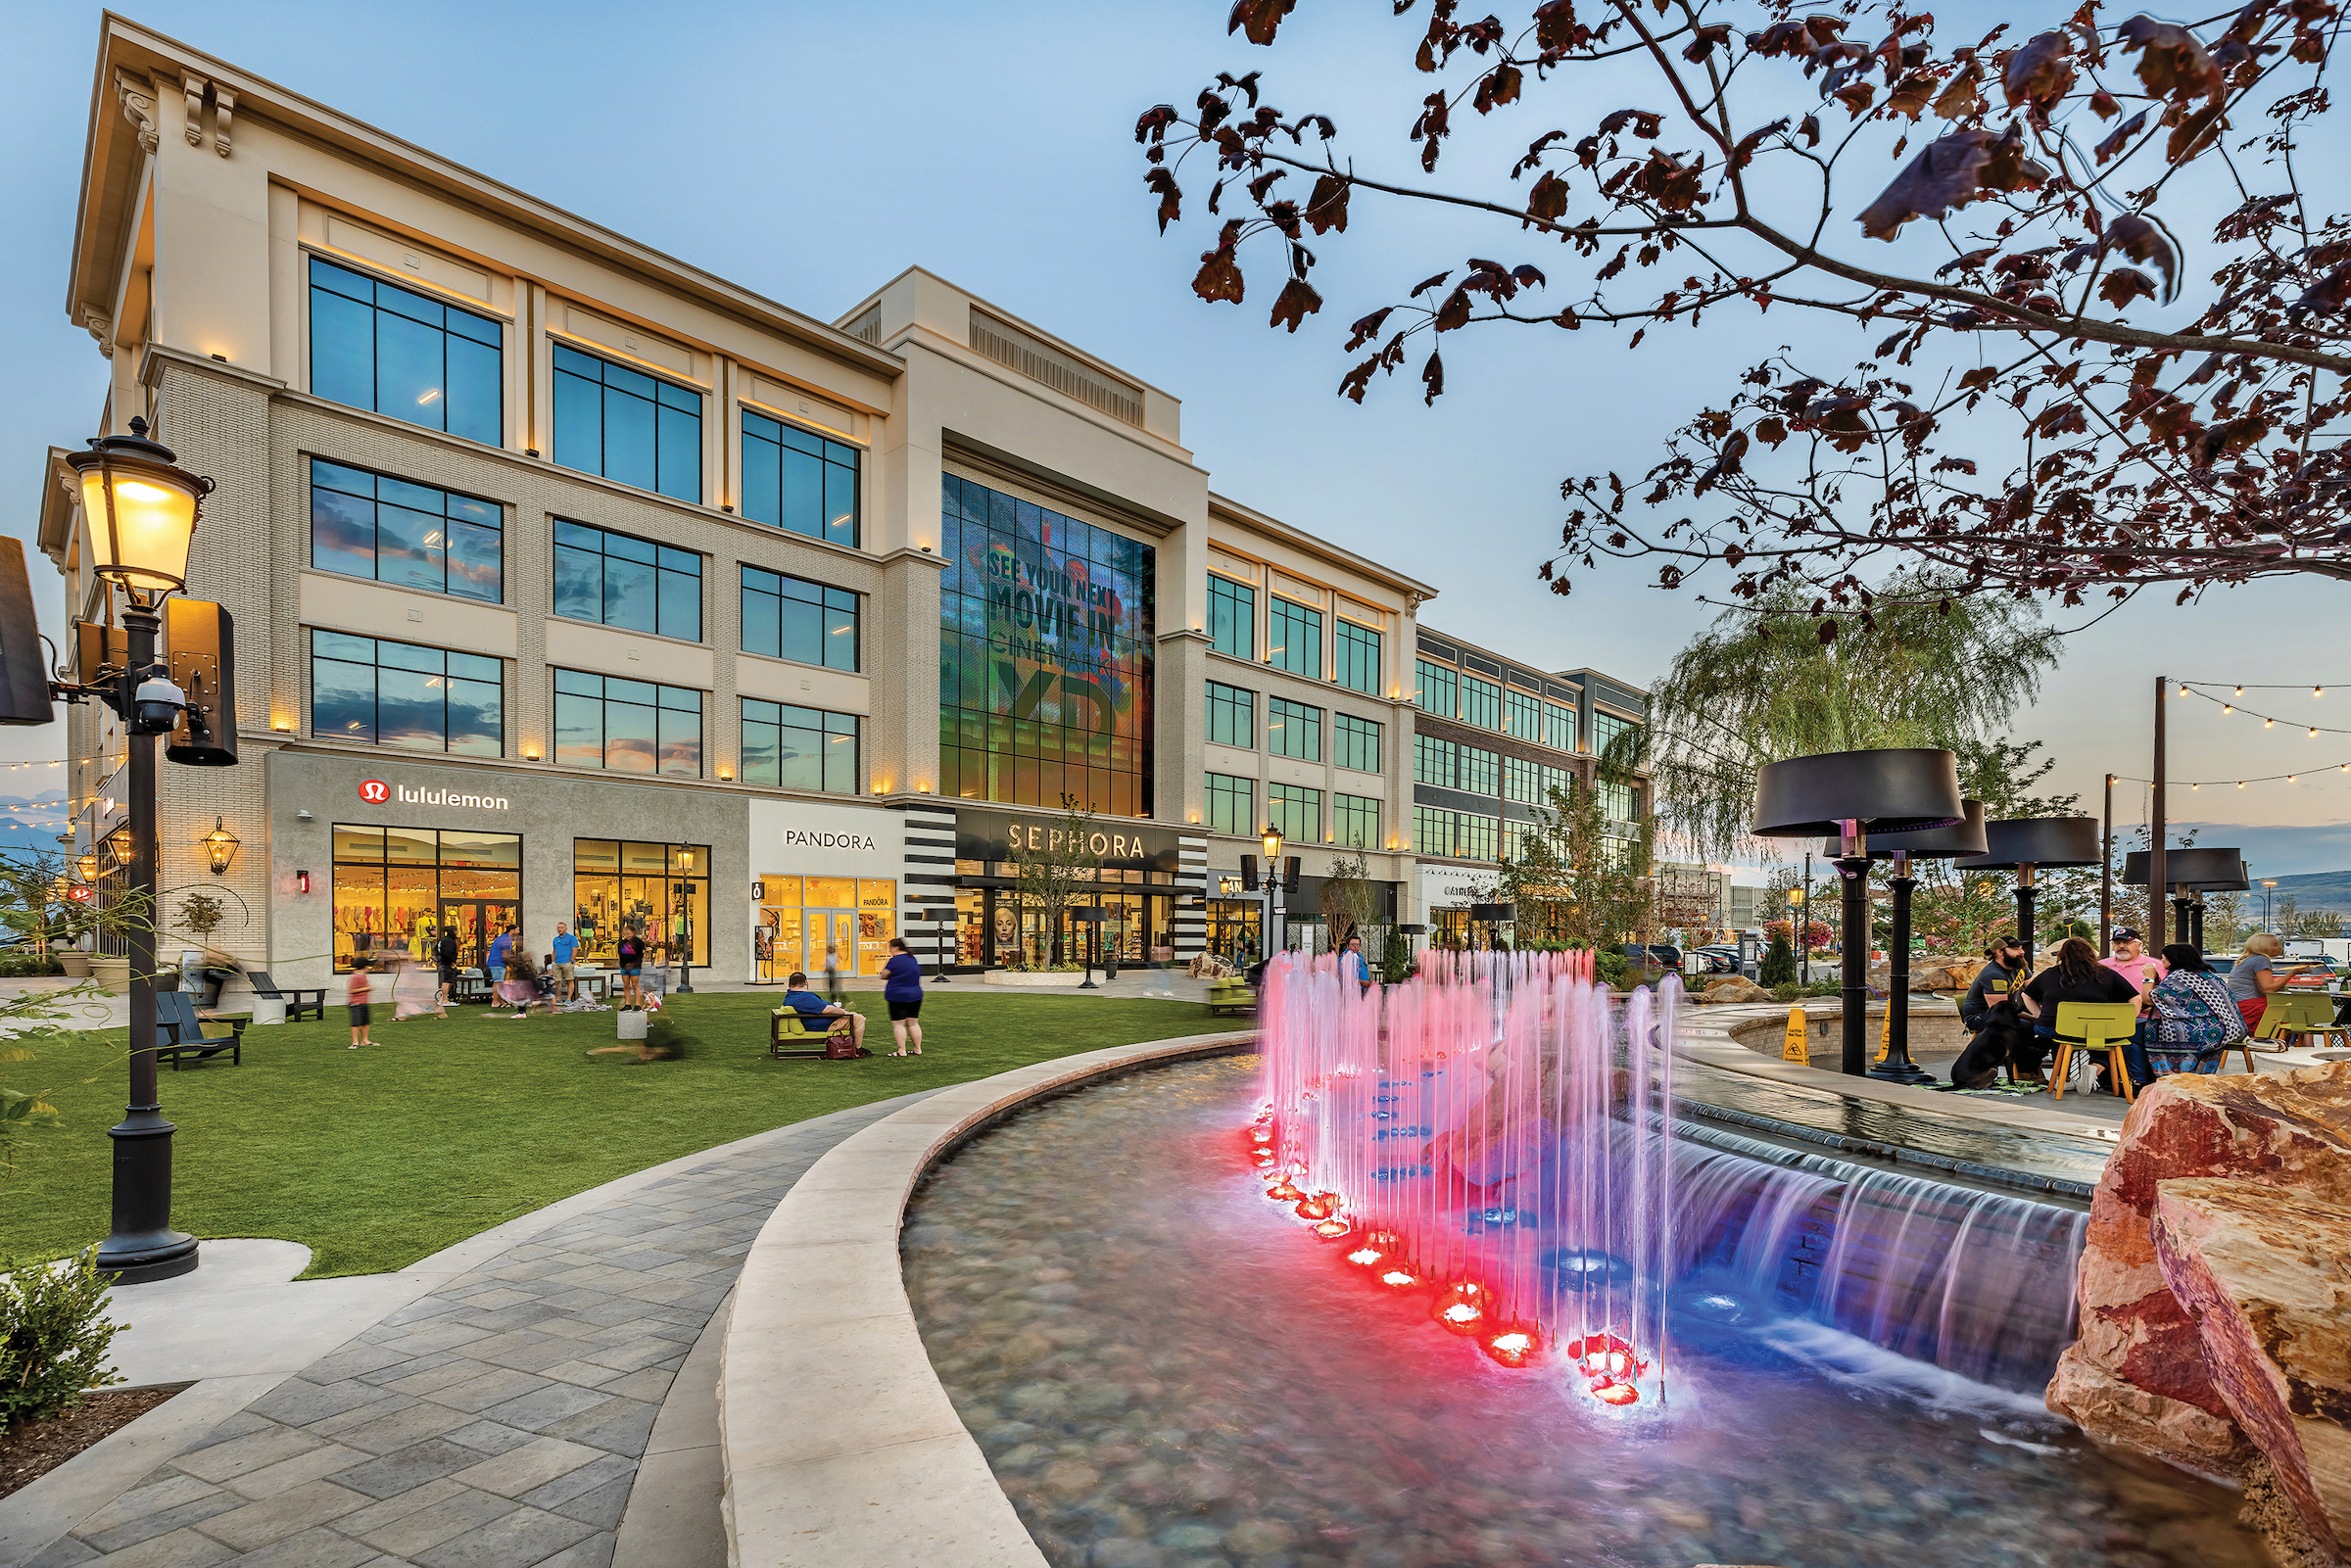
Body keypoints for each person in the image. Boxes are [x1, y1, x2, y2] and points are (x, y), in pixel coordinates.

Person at [2018, 936, 2143, 1088]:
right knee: (2124, 1039)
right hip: (2099, 1031)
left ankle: (2066, 1077)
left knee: (2062, 1039)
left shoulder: (2050, 974)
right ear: (2090, 954)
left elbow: (2026, 995)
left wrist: (2038, 1015)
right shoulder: (2107, 974)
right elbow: (2136, 999)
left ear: (2062, 955)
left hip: (2056, 1029)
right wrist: (2126, 1023)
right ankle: (2097, 1067)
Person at [2144, 944, 2248, 1076]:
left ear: (2172, 959)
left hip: (2218, 1028)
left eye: (2163, 958)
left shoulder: (2180, 977)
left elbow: (2148, 999)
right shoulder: (2207, 975)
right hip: (2234, 1027)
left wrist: (2148, 977)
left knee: (2158, 1029)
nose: (2162, 961)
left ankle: (2174, 1075)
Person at [2226, 932, 2309, 1035]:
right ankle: (2302, 1046)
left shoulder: (2245, 960)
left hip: (2237, 1007)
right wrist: (2293, 972)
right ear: (2264, 947)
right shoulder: (2261, 959)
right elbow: (2267, 989)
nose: (2281, 947)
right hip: (2250, 1007)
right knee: (2296, 1015)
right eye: (2275, 945)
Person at [782, 970, 866, 1053]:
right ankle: (858, 1050)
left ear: (789, 985)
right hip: (824, 1025)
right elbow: (827, 1010)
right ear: (806, 983)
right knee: (859, 1019)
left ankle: (851, 1047)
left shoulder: (790, 997)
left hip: (820, 1022)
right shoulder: (805, 998)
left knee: (854, 1015)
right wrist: (843, 1012)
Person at [883, 936, 924, 1056]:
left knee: (898, 1023)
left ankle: (901, 1050)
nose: (890, 950)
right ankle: (917, 1048)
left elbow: (884, 975)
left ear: (896, 947)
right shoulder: (912, 959)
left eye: (890, 947)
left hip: (897, 995)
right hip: (915, 994)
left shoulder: (894, 961)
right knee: (913, 1022)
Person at [2101, 928, 2168, 997]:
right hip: (2105, 1007)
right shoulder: (2100, 965)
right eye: (2117, 943)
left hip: (2143, 1007)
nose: (2121, 946)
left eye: (2127, 943)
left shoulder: (2158, 965)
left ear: (2139, 945)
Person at [346, 958, 374, 1050]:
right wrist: (366, 989)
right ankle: (355, 1042)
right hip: (355, 1004)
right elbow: (351, 990)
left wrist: (367, 987)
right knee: (356, 1023)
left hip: (364, 1002)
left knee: (365, 1022)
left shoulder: (363, 976)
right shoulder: (355, 977)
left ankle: (365, 1040)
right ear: (365, 966)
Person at [432, 925, 459, 1016]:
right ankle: (445, 1000)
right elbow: (448, 953)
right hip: (446, 963)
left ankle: (441, 1000)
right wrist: (451, 962)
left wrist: (438, 960)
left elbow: (435, 950)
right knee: (446, 981)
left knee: (447, 980)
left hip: (442, 962)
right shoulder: (449, 941)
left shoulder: (442, 940)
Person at [550, 921, 579, 1003]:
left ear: (565, 929)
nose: (560, 929)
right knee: (557, 981)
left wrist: (571, 960)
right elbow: (554, 951)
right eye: (558, 928)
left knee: (569, 980)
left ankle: (568, 999)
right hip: (557, 963)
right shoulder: (555, 939)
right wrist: (553, 962)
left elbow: (575, 949)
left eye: (561, 928)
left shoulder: (572, 938)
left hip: (567, 962)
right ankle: (558, 999)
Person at [616, 927, 646, 1008]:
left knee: (635, 985)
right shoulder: (622, 943)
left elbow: (640, 955)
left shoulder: (638, 943)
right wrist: (622, 964)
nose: (626, 936)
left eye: (628, 934)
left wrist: (635, 964)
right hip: (624, 967)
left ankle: (637, 1004)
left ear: (633, 933)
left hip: (634, 967)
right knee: (626, 986)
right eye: (625, 934)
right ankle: (627, 1004)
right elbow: (620, 954)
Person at [487, 925, 514, 995]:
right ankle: (495, 1002)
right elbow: (505, 955)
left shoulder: (502, 937)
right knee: (498, 982)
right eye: (518, 930)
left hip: (495, 962)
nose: (519, 931)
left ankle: (500, 1001)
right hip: (497, 963)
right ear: (512, 931)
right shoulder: (507, 939)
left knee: (499, 982)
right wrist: (512, 963)